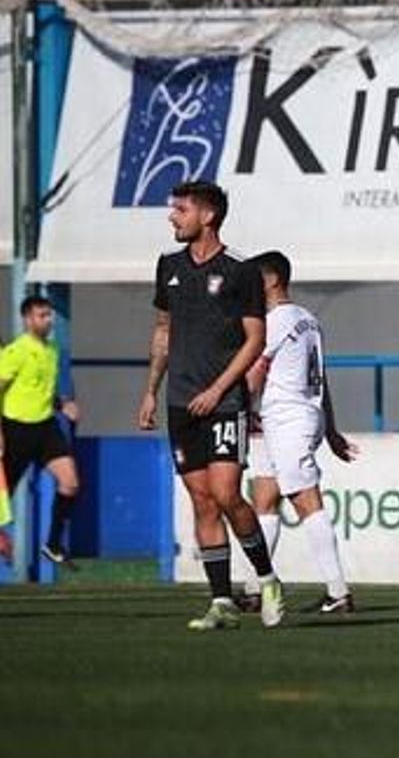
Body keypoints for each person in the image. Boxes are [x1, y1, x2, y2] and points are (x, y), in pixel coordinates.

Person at [137, 180, 284, 631]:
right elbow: (163, 330)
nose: (172, 217)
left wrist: (219, 389)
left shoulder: (240, 270)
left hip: (224, 402)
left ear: (208, 216)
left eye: (181, 209)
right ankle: (221, 601)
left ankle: (267, 579)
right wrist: (151, 389)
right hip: (180, 402)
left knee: (226, 494)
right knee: (201, 500)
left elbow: (255, 339)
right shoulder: (168, 265)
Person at [241, 251, 360, 614]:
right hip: (288, 416)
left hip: (288, 418)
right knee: (265, 498)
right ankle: (255, 587)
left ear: (272, 281)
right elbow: (321, 378)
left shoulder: (274, 322)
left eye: (254, 281)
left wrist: (234, 410)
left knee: (305, 499)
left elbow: (256, 373)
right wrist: (331, 429)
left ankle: (338, 592)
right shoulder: (309, 320)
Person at [0, 296, 83, 567]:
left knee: (70, 482)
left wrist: (63, 404)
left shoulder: (53, 349)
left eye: (49, 315)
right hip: (15, 431)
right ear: (27, 319)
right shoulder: (16, 351)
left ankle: (53, 544)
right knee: (3, 498)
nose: (48, 320)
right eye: (41, 316)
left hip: (45, 428)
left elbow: (40, 389)